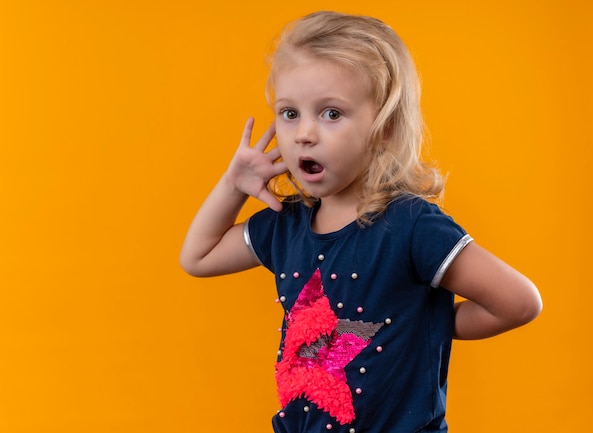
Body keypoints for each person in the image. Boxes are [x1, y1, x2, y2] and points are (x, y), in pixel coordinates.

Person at [179, 10, 542, 433]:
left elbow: (518, 303)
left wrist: (427, 328)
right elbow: (198, 257)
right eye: (289, 113)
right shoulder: (285, 224)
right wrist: (233, 185)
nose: (303, 134)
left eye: (331, 114)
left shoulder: (412, 226)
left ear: (383, 128)